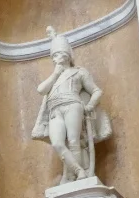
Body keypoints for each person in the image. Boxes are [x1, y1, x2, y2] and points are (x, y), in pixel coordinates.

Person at [31, 27, 113, 185]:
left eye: (59, 54)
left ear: (67, 54)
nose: (56, 58)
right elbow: (41, 90)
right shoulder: (54, 76)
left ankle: (76, 178)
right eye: (54, 55)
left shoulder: (79, 72)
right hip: (55, 111)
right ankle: (78, 170)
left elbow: (96, 91)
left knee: (74, 141)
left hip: (73, 105)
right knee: (58, 143)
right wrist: (55, 73)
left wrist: (89, 105)